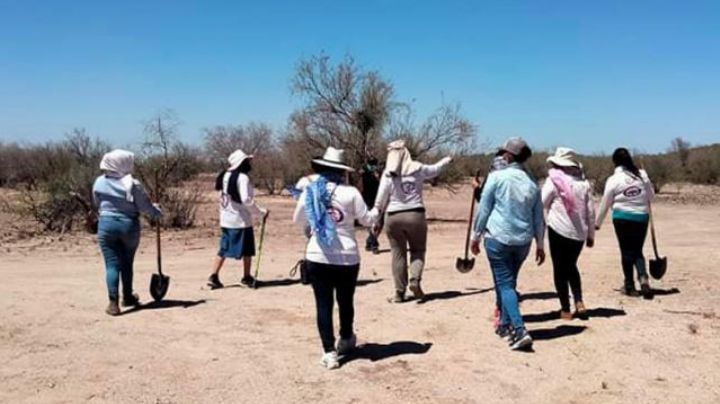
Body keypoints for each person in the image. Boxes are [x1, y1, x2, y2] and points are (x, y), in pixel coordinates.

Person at [293, 147, 380, 370]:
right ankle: (346, 337)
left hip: (318, 254)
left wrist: (315, 223)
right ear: (342, 171)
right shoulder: (351, 193)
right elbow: (368, 219)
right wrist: (378, 209)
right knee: (345, 300)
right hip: (347, 256)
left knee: (323, 304)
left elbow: (297, 219)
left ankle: (329, 352)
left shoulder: (310, 191)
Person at [470, 137, 545, 351]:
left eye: (504, 152)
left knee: (505, 284)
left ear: (509, 155)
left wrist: (475, 236)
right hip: (523, 241)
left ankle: (519, 330)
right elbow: (539, 216)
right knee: (509, 282)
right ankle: (504, 324)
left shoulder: (497, 177)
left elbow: (484, 209)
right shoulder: (531, 182)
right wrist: (540, 244)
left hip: (498, 238)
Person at [374, 140, 452, 303]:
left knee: (398, 254)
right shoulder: (418, 168)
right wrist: (447, 160)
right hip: (415, 214)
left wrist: (376, 218)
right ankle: (415, 279)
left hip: (393, 216)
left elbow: (380, 199)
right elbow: (435, 169)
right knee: (417, 250)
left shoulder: (388, 173)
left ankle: (399, 293)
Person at [93, 149, 162, 316]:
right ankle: (128, 296)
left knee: (111, 264)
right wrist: (157, 212)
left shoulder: (99, 182)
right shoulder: (132, 184)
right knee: (127, 262)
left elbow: (96, 203)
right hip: (128, 226)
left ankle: (113, 303)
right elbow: (145, 207)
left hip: (106, 225)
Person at [542, 148, 595, 320]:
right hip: (579, 234)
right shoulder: (584, 184)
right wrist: (591, 235)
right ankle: (579, 301)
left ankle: (565, 308)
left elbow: (542, 202)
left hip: (558, 230)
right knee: (571, 266)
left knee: (559, 269)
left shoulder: (553, 182)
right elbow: (590, 212)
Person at [596, 147, 655, 299]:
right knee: (637, 250)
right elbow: (651, 196)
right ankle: (643, 279)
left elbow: (605, 202)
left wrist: (598, 222)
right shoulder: (642, 175)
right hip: (641, 217)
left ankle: (629, 285)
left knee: (626, 251)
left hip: (622, 217)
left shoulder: (614, 179)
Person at [207, 149, 269, 289]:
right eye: (247, 161)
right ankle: (246, 277)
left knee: (223, 249)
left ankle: (214, 275)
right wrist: (261, 212)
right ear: (242, 163)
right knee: (247, 249)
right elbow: (246, 200)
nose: (249, 163)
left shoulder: (224, 175)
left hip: (226, 219)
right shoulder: (242, 178)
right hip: (240, 220)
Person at [360, 157, 382, 254]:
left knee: (380, 223)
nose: (374, 166)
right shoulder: (364, 173)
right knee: (372, 222)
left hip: (378, 200)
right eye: (372, 164)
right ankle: (374, 244)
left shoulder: (379, 173)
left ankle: (370, 242)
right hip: (367, 200)